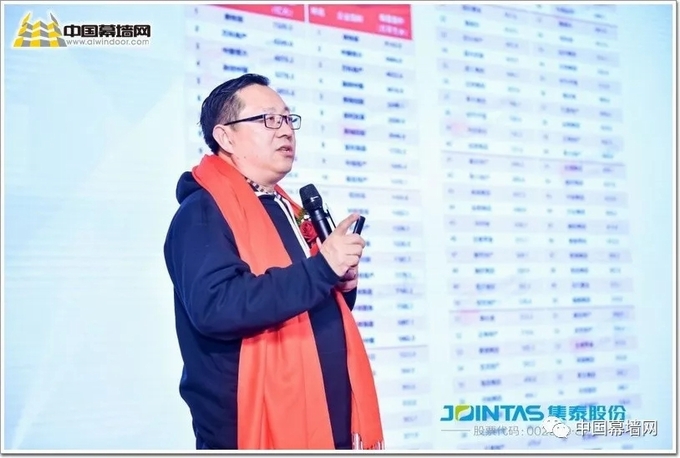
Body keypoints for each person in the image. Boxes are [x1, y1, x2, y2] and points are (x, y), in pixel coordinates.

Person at [163, 73, 384, 450]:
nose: (284, 130)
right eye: (267, 119)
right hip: (250, 429)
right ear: (226, 137)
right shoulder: (202, 213)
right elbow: (219, 306)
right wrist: (320, 269)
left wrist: (339, 284)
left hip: (326, 417)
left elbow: (300, 301)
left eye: (287, 118)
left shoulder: (285, 207)